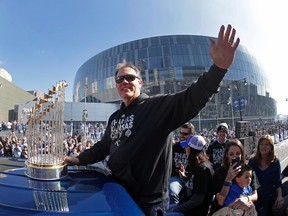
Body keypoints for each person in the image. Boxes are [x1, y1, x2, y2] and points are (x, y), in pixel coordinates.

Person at [64, 24, 240, 216]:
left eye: (129, 77)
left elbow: (191, 98)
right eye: (119, 80)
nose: (124, 82)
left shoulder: (156, 107)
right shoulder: (115, 117)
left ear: (140, 81)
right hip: (116, 193)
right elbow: (103, 147)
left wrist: (219, 69)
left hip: (147, 204)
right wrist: (77, 159)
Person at [209, 139, 258, 216]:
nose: (234, 157)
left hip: (244, 208)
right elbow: (220, 201)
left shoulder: (248, 170)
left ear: (242, 155)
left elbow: (255, 195)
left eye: (238, 154)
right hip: (223, 211)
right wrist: (228, 179)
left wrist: (246, 199)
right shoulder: (220, 173)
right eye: (231, 154)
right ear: (227, 156)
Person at [168, 135, 213, 215]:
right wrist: (184, 177)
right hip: (187, 208)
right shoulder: (196, 165)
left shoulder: (202, 169)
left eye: (186, 147)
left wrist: (176, 209)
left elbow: (197, 200)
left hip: (193, 212)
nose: (185, 149)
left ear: (191, 149)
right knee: (160, 209)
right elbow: (194, 185)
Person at [248, 134, 285, 216]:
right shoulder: (252, 162)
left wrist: (279, 196)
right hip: (255, 196)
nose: (263, 147)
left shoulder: (275, 162)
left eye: (266, 144)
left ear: (271, 147)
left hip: (270, 197)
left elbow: (278, 182)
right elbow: (249, 181)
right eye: (261, 144)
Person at [169, 122, 195, 205]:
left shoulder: (196, 148)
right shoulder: (174, 147)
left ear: (192, 135)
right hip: (177, 178)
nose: (181, 136)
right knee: (172, 192)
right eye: (180, 133)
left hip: (192, 178)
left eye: (185, 134)